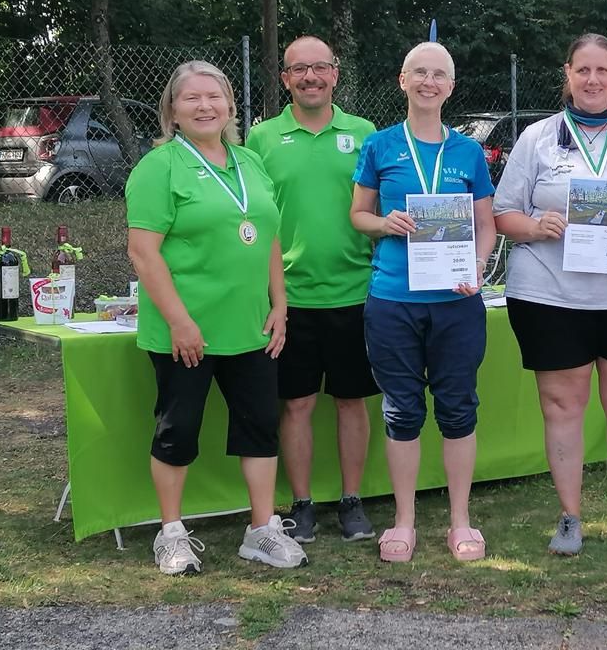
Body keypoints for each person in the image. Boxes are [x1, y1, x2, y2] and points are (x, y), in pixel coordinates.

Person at [493, 33, 607, 557]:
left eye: (602, 70)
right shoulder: (536, 138)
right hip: (551, 296)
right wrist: (535, 227)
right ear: (568, 74)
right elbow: (504, 212)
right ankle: (570, 516)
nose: (593, 80)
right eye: (583, 70)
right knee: (562, 405)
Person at [126, 61, 305, 575]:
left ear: (230, 106)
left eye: (214, 96)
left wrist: (279, 304)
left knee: (260, 427)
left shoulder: (250, 162)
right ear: (172, 110)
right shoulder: (159, 168)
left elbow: (267, 236)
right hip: (188, 332)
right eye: (191, 98)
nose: (205, 106)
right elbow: (143, 253)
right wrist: (180, 321)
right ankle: (171, 534)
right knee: (178, 431)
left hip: (250, 327)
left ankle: (262, 530)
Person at [349, 42, 497, 563]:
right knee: (402, 411)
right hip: (393, 300)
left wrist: (477, 265)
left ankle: (461, 521)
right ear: (403, 80)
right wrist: (383, 222)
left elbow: (486, 225)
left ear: (451, 87)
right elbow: (358, 215)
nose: (429, 82)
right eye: (420, 73)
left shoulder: (469, 152)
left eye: (439, 75)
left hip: (456, 301)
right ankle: (404, 521)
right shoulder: (380, 146)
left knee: (458, 409)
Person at [246, 36, 379, 545]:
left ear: (335, 74)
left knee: (351, 402)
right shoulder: (261, 138)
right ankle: (301, 505)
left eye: (320, 67)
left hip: (356, 291)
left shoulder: (364, 133)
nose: (310, 77)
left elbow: (379, 208)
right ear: (285, 79)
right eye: (299, 69)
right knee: (297, 405)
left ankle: (351, 501)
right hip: (289, 299)